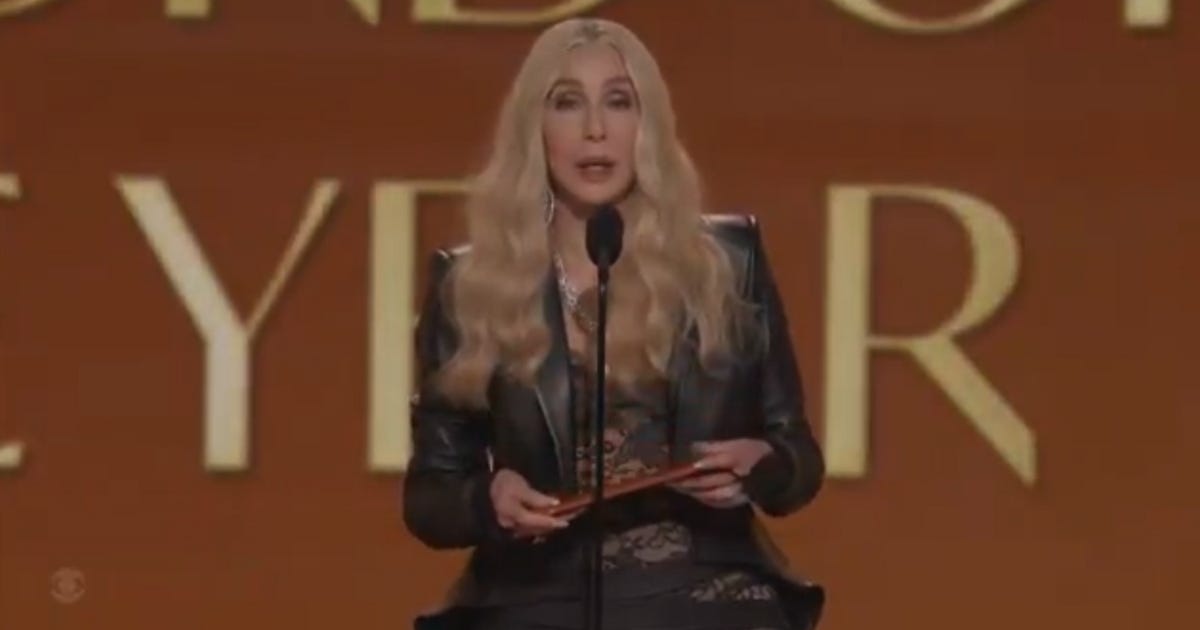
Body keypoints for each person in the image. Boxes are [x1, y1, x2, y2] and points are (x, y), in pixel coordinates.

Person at [403, 17, 825, 630]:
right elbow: (430, 497)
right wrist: (486, 498)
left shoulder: (727, 263)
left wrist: (759, 464)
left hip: (704, 588)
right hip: (536, 593)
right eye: (567, 103)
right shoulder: (471, 285)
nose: (595, 129)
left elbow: (798, 461)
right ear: (534, 128)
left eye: (619, 102)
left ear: (648, 125)